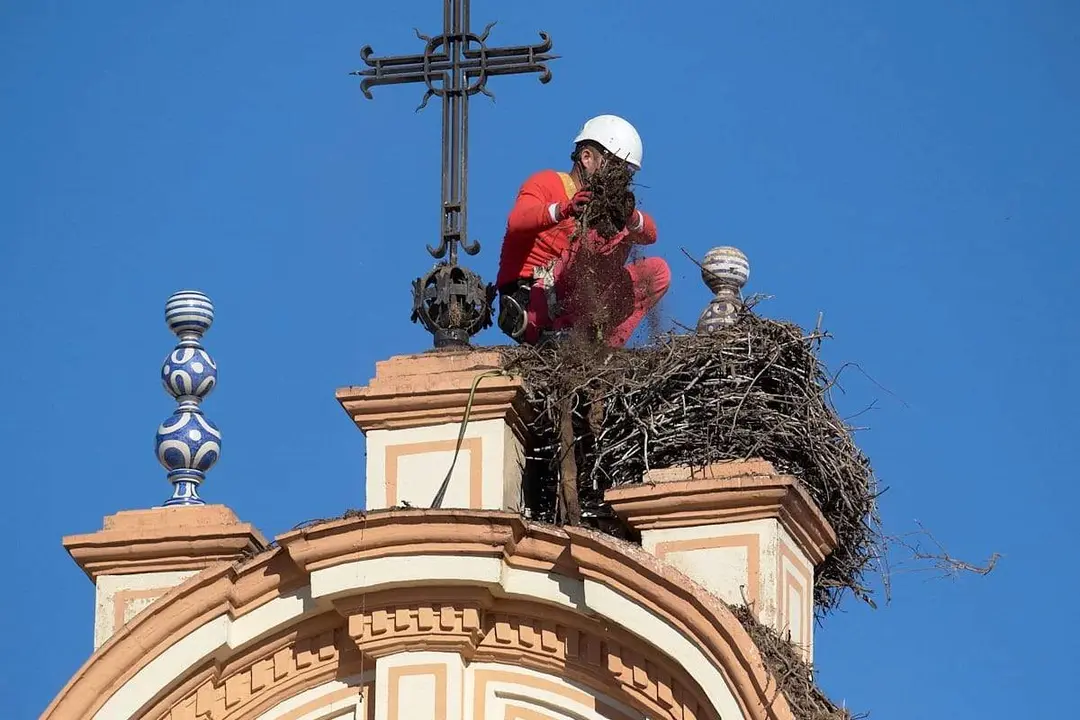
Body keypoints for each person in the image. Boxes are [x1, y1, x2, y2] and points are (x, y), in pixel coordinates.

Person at [495, 114, 671, 346]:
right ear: (586, 157)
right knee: (596, 234)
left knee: (657, 271)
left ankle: (600, 347)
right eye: (613, 166)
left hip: (577, 305)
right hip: (533, 303)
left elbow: (650, 233)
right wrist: (565, 209)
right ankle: (565, 329)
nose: (618, 177)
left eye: (624, 171)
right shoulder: (546, 183)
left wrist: (628, 215)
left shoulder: (605, 212)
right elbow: (517, 221)